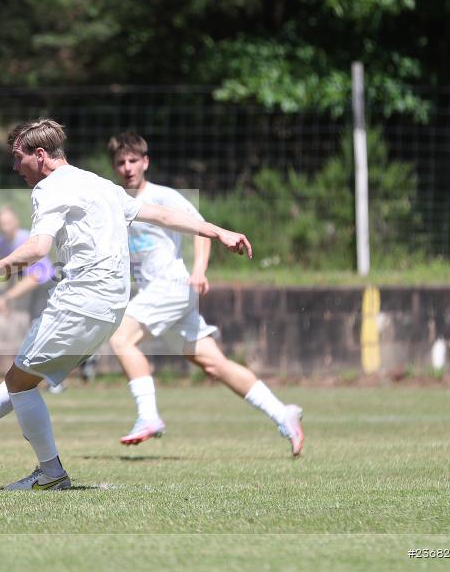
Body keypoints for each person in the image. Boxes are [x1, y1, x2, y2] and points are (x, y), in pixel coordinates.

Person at [0, 119, 252, 491]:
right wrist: (218, 230)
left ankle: (51, 474)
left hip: (80, 299)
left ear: (40, 155)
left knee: (20, 383)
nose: (14, 167)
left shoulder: (49, 188)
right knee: (24, 375)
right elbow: (161, 215)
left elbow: (38, 248)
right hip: (111, 306)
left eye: (17, 158)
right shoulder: (98, 183)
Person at [105, 131, 304, 456]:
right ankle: (284, 414)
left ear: (145, 162)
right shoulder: (117, 201)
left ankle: (148, 416)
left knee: (120, 339)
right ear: (114, 167)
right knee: (215, 365)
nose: (127, 167)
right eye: (120, 162)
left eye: (133, 160)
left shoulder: (164, 196)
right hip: (164, 294)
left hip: (171, 286)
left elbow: (200, 229)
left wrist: (199, 270)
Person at [0, 205, 97, 392]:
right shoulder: (1, 242)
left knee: (43, 334)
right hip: (35, 290)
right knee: (43, 334)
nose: (5, 227)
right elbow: (10, 271)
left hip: (47, 285)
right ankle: (82, 357)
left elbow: (36, 276)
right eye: (1, 224)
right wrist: (7, 298)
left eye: (8, 223)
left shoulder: (24, 239)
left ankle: (60, 378)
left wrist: (8, 297)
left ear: (16, 222)